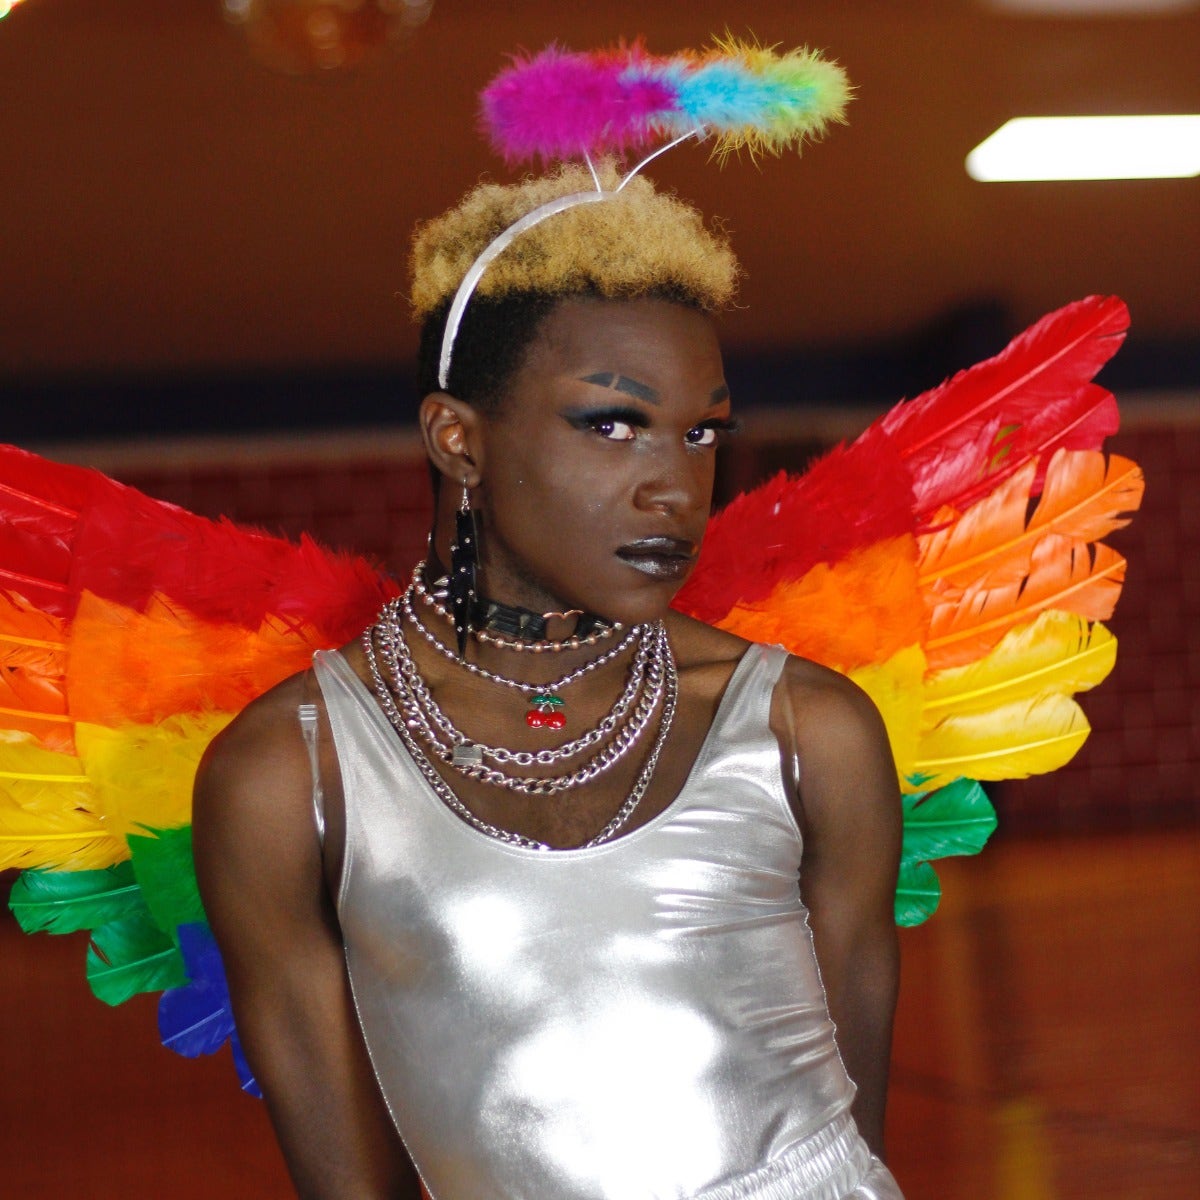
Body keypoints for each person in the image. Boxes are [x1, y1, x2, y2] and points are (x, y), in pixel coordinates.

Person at [192, 155, 905, 1199]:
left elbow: (861, 1148)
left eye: (701, 431)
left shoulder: (808, 733)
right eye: (611, 423)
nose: (675, 487)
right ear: (458, 440)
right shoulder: (288, 778)